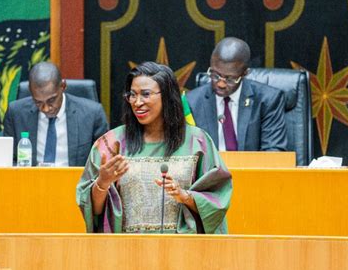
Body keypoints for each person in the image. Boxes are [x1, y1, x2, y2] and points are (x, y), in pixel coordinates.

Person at [76, 62, 232, 234]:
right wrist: (102, 183)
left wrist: (185, 196)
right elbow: (93, 212)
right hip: (127, 252)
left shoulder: (198, 141)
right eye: (132, 95)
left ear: (167, 96)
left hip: (183, 251)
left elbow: (217, 201)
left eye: (146, 94)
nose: (137, 102)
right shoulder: (111, 144)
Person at [186, 37, 288, 151]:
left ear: (245, 73)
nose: (221, 84)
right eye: (215, 75)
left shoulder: (267, 100)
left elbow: (273, 152)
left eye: (229, 79)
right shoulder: (192, 103)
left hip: (252, 168)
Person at [3, 62, 108, 166]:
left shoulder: (92, 114)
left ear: (63, 86)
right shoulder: (16, 113)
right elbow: (7, 160)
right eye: (38, 102)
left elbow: (104, 162)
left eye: (51, 100)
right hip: (31, 181)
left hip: (76, 181)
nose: (46, 108)